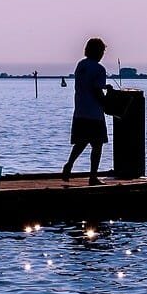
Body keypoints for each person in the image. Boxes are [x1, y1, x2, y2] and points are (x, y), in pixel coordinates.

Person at [62, 37, 112, 186]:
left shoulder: (81, 65)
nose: (103, 54)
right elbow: (96, 91)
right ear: (98, 51)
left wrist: (104, 87)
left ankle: (69, 164)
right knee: (97, 145)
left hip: (80, 111)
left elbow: (87, 85)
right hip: (94, 114)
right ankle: (93, 177)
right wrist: (106, 104)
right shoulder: (99, 69)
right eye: (102, 50)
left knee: (81, 142)